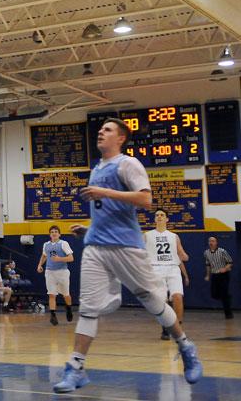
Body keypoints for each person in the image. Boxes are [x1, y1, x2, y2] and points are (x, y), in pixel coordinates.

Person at [53, 118, 201, 393]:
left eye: (107, 130)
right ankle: (76, 367)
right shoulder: (96, 168)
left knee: (153, 301)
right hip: (96, 246)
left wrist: (105, 191)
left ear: (121, 138)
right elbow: (106, 210)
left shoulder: (128, 164)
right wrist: (88, 229)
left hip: (126, 246)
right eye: (100, 129)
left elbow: (146, 200)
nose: (100, 132)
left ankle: (186, 346)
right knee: (88, 308)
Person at [145, 209, 190, 338]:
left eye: (162, 215)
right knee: (162, 300)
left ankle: (178, 327)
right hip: (156, 268)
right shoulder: (147, 235)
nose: (159, 217)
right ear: (154, 219)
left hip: (172, 268)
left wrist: (184, 256)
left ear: (167, 219)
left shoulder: (173, 236)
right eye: (157, 215)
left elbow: (181, 254)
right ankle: (165, 327)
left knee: (177, 297)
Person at [37, 225, 74, 326]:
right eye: (52, 232)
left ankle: (69, 308)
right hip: (50, 272)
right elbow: (44, 256)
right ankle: (53, 315)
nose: (54, 233)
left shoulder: (63, 243)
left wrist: (60, 259)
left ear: (59, 234)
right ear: (50, 234)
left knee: (66, 295)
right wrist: (40, 265)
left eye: (56, 231)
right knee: (51, 294)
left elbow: (71, 258)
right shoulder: (46, 245)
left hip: (62, 272)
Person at [204, 236, 233, 319]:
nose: (211, 242)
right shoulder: (206, 253)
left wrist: (225, 268)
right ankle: (227, 296)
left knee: (224, 295)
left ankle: (228, 314)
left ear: (216, 242)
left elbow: (230, 262)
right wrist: (207, 275)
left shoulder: (222, 251)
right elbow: (208, 265)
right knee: (214, 294)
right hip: (214, 275)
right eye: (209, 241)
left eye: (213, 241)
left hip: (224, 275)